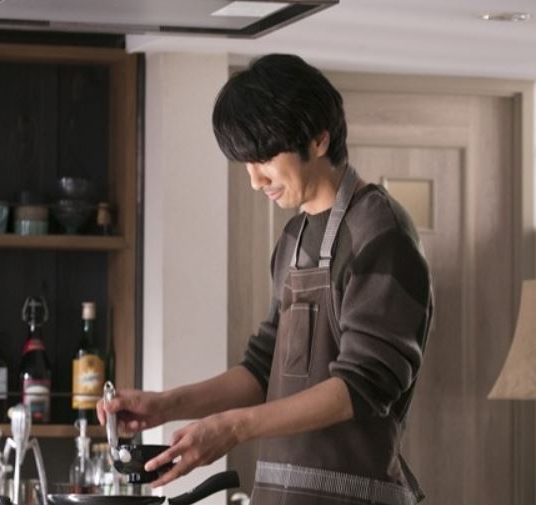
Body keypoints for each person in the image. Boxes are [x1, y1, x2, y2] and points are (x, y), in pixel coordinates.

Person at [98, 54, 433, 505]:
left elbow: (362, 386)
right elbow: (262, 368)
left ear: (319, 139)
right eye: (246, 163)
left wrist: (234, 427)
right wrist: (165, 405)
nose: (256, 180)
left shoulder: (380, 233)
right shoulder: (294, 238)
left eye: (264, 158)